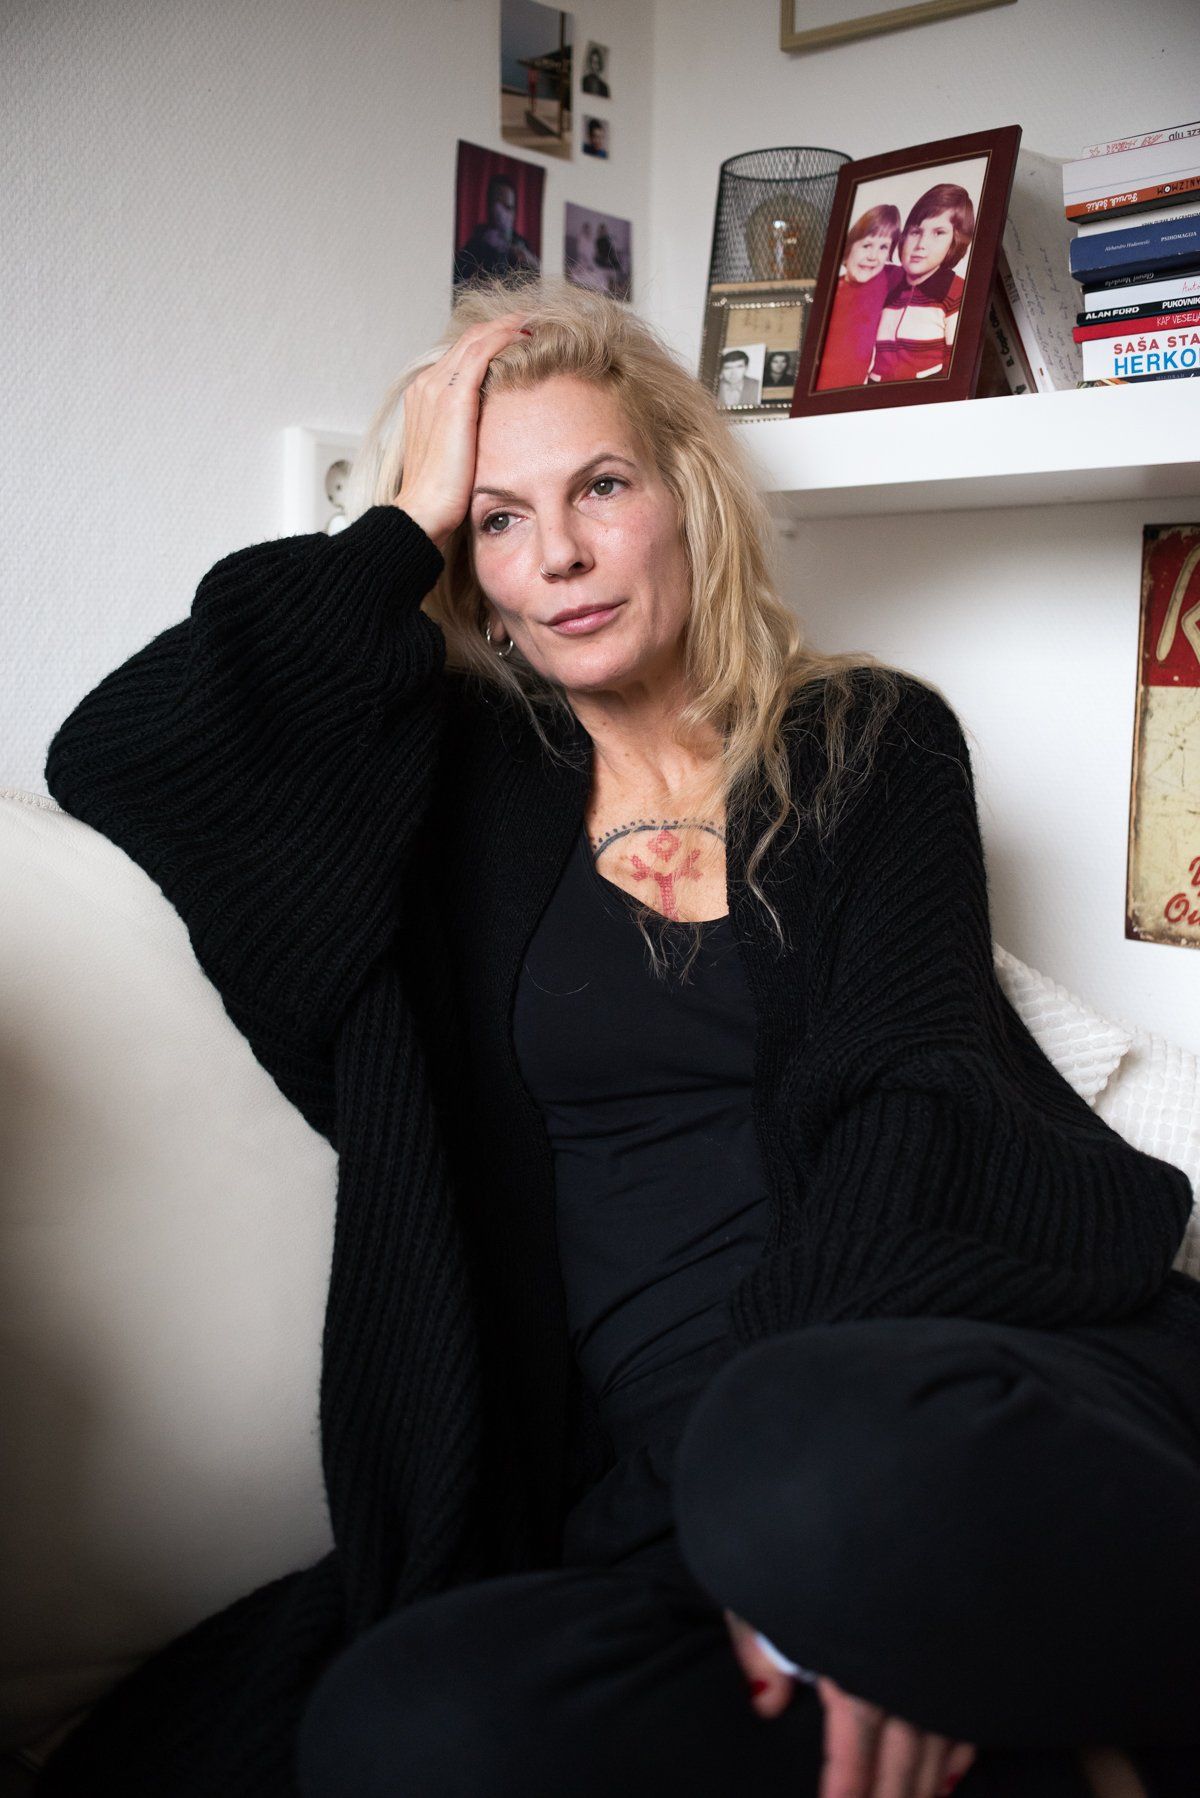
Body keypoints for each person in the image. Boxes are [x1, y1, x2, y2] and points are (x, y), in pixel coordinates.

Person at [36, 274, 1200, 1798]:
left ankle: (881, 1588)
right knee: (408, 1720)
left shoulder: (867, 740)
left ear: (685, 497)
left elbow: (910, 1093)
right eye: (498, 519)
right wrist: (396, 525)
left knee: (811, 1456)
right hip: (650, 1494)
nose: (561, 555)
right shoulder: (452, 791)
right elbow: (130, 753)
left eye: (599, 487)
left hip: (923, 1381)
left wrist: (820, 1533)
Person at [870, 183, 974, 384]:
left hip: (925, 393)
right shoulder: (885, 283)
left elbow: (956, 368)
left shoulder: (956, 292)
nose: (921, 245)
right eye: (916, 232)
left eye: (938, 233)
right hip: (875, 389)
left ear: (955, 242)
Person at [815, 204, 903, 390]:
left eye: (883, 247)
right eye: (867, 245)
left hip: (851, 394)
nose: (873, 256)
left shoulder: (889, 278)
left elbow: (925, 271)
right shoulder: (829, 291)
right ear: (849, 248)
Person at [453, 173, 541, 287]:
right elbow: (456, 281)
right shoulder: (476, 244)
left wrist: (531, 261)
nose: (504, 214)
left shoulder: (522, 245)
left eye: (509, 207)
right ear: (490, 207)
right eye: (499, 206)